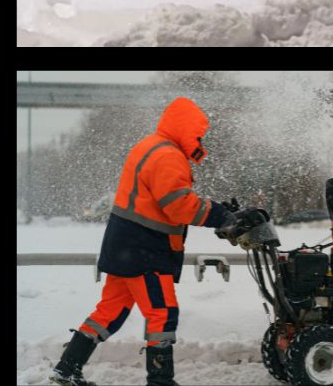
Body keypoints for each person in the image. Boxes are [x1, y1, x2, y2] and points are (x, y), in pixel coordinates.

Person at [50, 97, 234, 386]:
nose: (200, 140)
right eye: (198, 134)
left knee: (109, 311)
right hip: (145, 251)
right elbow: (179, 205)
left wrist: (218, 210)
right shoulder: (168, 155)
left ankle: (67, 368)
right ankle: (160, 380)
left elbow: (166, 200)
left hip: (124, 247)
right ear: (186, 129)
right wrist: (220, 215)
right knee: (162, 312)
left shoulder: (151, 145)